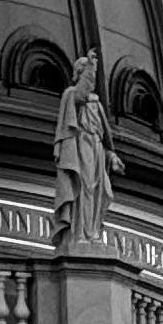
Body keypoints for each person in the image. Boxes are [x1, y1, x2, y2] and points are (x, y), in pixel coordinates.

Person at [51, 53, 113, 248]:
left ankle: (92, 230)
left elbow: (105, 135)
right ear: (79, 73)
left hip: (97, 150)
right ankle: (81, 232)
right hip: (82, 145)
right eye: (85, 73)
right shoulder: (72, 94)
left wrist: (111, 155)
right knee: (84, 186)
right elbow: (80, 93)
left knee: (97, 189)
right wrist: (91, 68)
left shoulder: (96, 103)